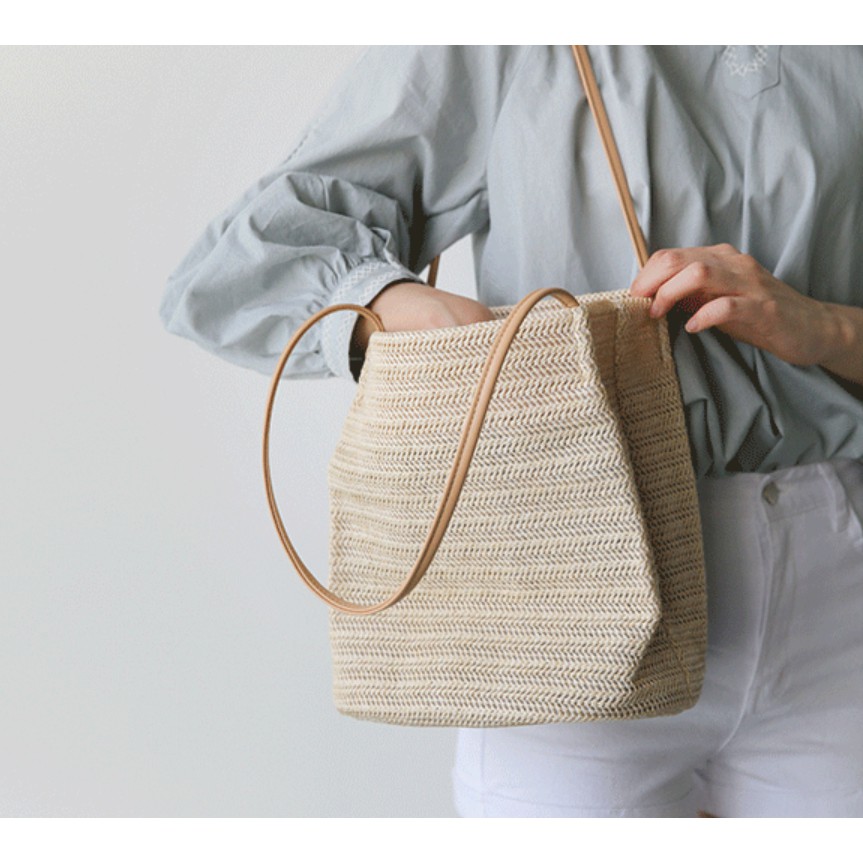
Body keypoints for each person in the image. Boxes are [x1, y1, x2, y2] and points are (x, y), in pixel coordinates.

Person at [160, 46, 863, 817]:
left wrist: (829, 328)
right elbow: (244, 259)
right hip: (563, 573)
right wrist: (389, 302)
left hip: (840, 584)